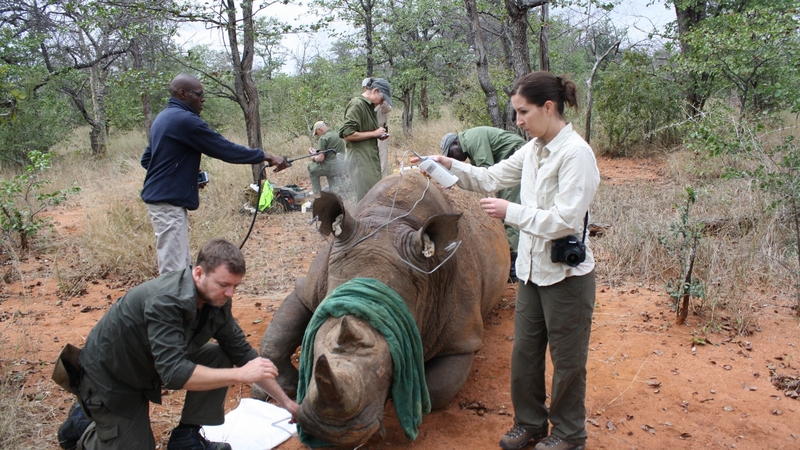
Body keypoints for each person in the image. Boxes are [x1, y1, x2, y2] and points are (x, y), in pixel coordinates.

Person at [413, 71, 600, 450]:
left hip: (566, 276)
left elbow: (565, 219)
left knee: (566, 362)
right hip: (531, 272)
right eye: (516, 113)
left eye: (523, 113)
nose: (517, 122)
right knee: (525, 355)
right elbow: (489, 177)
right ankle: (529, 424)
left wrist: (510, 212)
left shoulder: (576, 154)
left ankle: (568, 434)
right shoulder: (533, 149)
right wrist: (449, 166)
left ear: (548, 108)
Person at [58, 239, 299, 450]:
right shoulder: (166, 301)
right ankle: (84, 424)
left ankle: (186, 438)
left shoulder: (216, 300)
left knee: (220, 356)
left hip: (149, 366)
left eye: (236, 286)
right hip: (111, 381)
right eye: (223, 285)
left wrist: (287, 403)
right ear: (198, 273)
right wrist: (240, 376)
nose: (230, 293)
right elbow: (174, 374)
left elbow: (244, 354)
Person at [140, 74, 287, 275]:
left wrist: (186, 173)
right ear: (183, 94)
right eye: (199, 94)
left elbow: (147, 160)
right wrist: (265, 155)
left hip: (164, 201)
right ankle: (172, 305)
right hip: (167, 204)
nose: (203, 99)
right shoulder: (185, 120)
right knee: (172, 270)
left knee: (180, 265)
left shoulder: (163, 117)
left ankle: (183, 304)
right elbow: (223, 148)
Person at [440, 126, 527, 279]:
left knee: (509, 208)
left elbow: (485, 172)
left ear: (456, 144)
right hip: (507, 163)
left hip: (516, 160)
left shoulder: (473, 139)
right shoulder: (470, 141)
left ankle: (513, 263)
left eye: (452, 155)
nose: (454, 159)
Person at [339, 78, 392, 202]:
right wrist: (374, 133)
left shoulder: (369, 106)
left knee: (375, 194)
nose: (382, 102)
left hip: (369, 156)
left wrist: (377, 134)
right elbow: (347, 134)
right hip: (360, 159)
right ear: (375, 91)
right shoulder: (358, 104)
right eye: (382, 98)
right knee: (367, 200)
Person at [307, 121, 347, 196]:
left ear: (320, 130)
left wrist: (313, 157)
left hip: (330, 166)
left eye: (316, 133)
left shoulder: (323, 138)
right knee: (330, 172)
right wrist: (316, 151)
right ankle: (335, 191)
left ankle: (317, 193)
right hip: (340, 165)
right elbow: (329, 151)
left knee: (311, 168)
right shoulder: (336, 135)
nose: (317, 135)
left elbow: (320, 158)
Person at [363, 78, 393, 177]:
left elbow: (388, 109)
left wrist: (381, 100)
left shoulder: (381, 101)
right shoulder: (362, 103)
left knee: (382, 160)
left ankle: (382, 180)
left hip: (380, 133)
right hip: (368, 133)